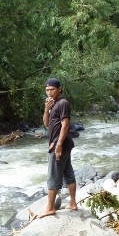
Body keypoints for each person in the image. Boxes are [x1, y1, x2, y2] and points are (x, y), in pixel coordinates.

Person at [39, 78, 76, 218]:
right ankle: (73, 203)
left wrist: (58, 145)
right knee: (68, 173)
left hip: (58, 144)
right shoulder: (52, 104)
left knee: (53, 176)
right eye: (47, 90)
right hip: (61, 144)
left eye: (52, 89)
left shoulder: (63, 103)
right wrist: (46, 109)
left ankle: (50, 208)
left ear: (59, 89)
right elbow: (46, 124)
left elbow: (65, 125)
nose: (49, 92)